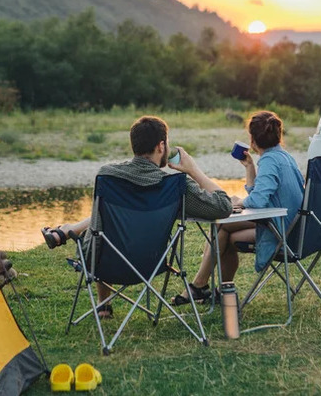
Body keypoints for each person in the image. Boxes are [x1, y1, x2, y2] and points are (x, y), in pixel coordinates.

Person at [41, 115, 233, 318]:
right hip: (151, 263)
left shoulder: (108, 176)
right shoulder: (175, 186)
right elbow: (223, 206)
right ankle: (68, 230)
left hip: (102, 264)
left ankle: (103, 303)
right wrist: (193, 170)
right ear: (161, 146)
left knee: (100, 226)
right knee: (101, 222)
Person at [172, 110, 304, 305]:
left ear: (252, 140)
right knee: (225, 233)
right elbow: (260, 194)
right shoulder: (284, 157)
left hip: (280, 231)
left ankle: (200, 286)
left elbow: (257, 201)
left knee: (222, 226)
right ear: (278, 135)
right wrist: (250, 168)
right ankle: (220, 291)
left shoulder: (269, 161)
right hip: (291, 226)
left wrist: (238, 202)